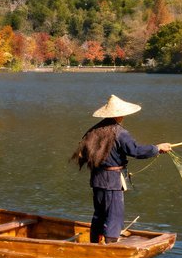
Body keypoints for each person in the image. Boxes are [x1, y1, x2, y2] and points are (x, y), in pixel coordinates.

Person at [70, 95, 172, 245]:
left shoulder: (93, 131)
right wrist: (157, 148)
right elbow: (136, 151)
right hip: (112, 180)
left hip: (97, 179)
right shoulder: (120, 133)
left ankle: (94, 243)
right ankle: (111, 245)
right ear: (119, 115)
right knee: (114, 215)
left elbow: (84, 153)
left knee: (99, 213)